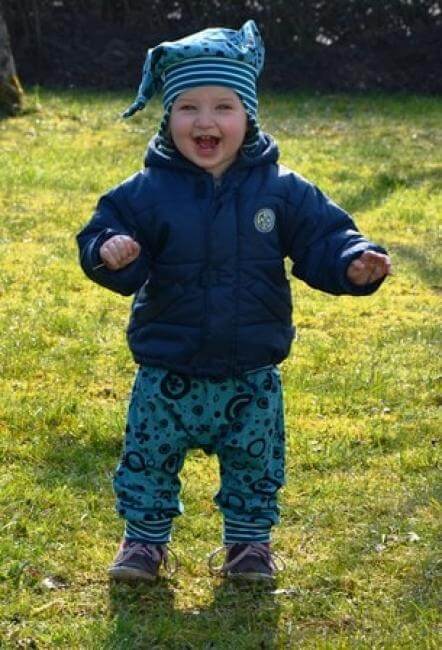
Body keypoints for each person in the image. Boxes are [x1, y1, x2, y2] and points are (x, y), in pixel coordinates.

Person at [76, 20, 392, 583]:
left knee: (254, 462)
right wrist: (110, 251)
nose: (205, 122)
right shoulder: (146, 192)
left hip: (251, 370)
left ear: (248, 115)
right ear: (167, 117)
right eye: (188, 108)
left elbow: (324, 237)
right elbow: (102, 233)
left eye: (223, 107)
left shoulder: (282, 189)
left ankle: (249, 545)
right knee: (148, 460)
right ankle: (143, 543)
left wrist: (352, 262)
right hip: (167, 368)